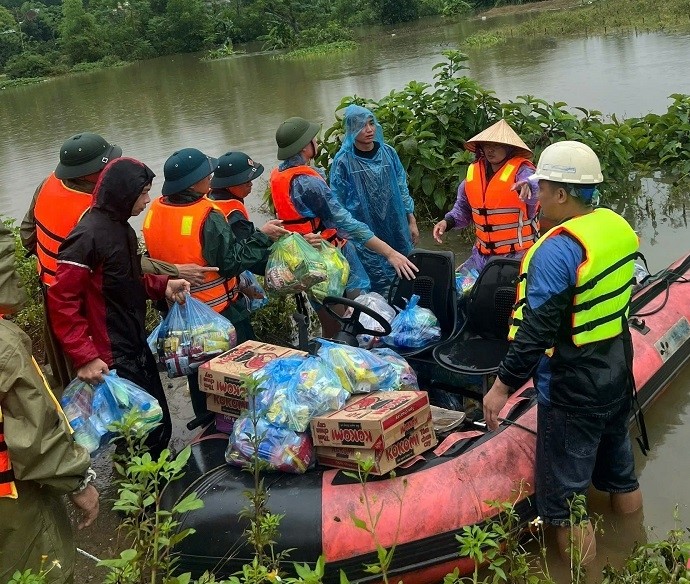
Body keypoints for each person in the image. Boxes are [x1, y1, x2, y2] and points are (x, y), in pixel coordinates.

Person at [482, 141, 643, 563]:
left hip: (573, 389)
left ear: (560, 194)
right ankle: (635, 549)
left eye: (541, 187)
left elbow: (536, 334)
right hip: (615, 373)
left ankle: (581, 574)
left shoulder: (556, 251)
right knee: (621, 477)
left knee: (565, 504)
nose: (533, 194)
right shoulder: (612, 226)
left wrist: (500, 389)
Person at [20, 132, 213, 393]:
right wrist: (174, 269)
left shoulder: (47, 184)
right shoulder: (94, 216)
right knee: (97, 379)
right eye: (107, 163)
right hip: (86, 305)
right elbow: (120, 267)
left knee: (67, 375)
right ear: (92, 174)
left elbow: (27, 234)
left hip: (51, 289)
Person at [47, 157, 191, 457]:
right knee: (137, 435)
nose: (148, 200)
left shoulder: (121, 230)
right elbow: (61, 299)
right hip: (111, 356)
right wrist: (84, 356)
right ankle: (141, 498)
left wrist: (162, 285)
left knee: (157, 422)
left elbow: (126, 281)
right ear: (124, 192)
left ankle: (152, 493)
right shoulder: (87, 236)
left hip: (134, 342)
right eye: (143, 192)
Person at [142, 148, 287, 416]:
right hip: (219, 316)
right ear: (193, 182)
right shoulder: (207, 215)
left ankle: (207, 427)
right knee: (244, 375)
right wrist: (263, 236)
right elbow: (231, 262)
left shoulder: (155, 210)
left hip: (180, 316)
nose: (211, 177)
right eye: (205, 174)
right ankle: (248, 428)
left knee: (198, 375)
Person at [0, 223, 99, 584]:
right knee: (40, 568)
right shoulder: (5, 345)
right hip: (12, 500)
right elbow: (35, 437)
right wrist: (79, 483)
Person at [271, 116, 417, 310]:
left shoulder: (279, 176)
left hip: (303, 258)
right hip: (326, 259)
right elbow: (344, 221)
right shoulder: (308, 183)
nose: (316, 142)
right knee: (348, 314)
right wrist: (389, 253)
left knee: (327, 311)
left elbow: (288, 219)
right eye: (313, 140)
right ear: (305, 147)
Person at [432, 119, 539, 283]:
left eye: (497, 145)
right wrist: (447, 222)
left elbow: (537, 183)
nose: (490, 150)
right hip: (481, 256)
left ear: (510, 148)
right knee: (455, 288)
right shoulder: (474, 174)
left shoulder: (523, 171)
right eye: (487, 145)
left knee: (501, 297)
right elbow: (462, 209)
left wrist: (529, 185)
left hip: (515, 257)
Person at [329, 105, 419, 294]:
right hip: (365, 232)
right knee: (375, 281)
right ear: (352, 129)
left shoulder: (388, 153)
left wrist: (412, 220)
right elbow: (337, 203)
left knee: (406, 274)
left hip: (396, 225)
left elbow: (402, 187)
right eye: (362, 126)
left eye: (372, 123)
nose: (369, 130)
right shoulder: (343, 161)